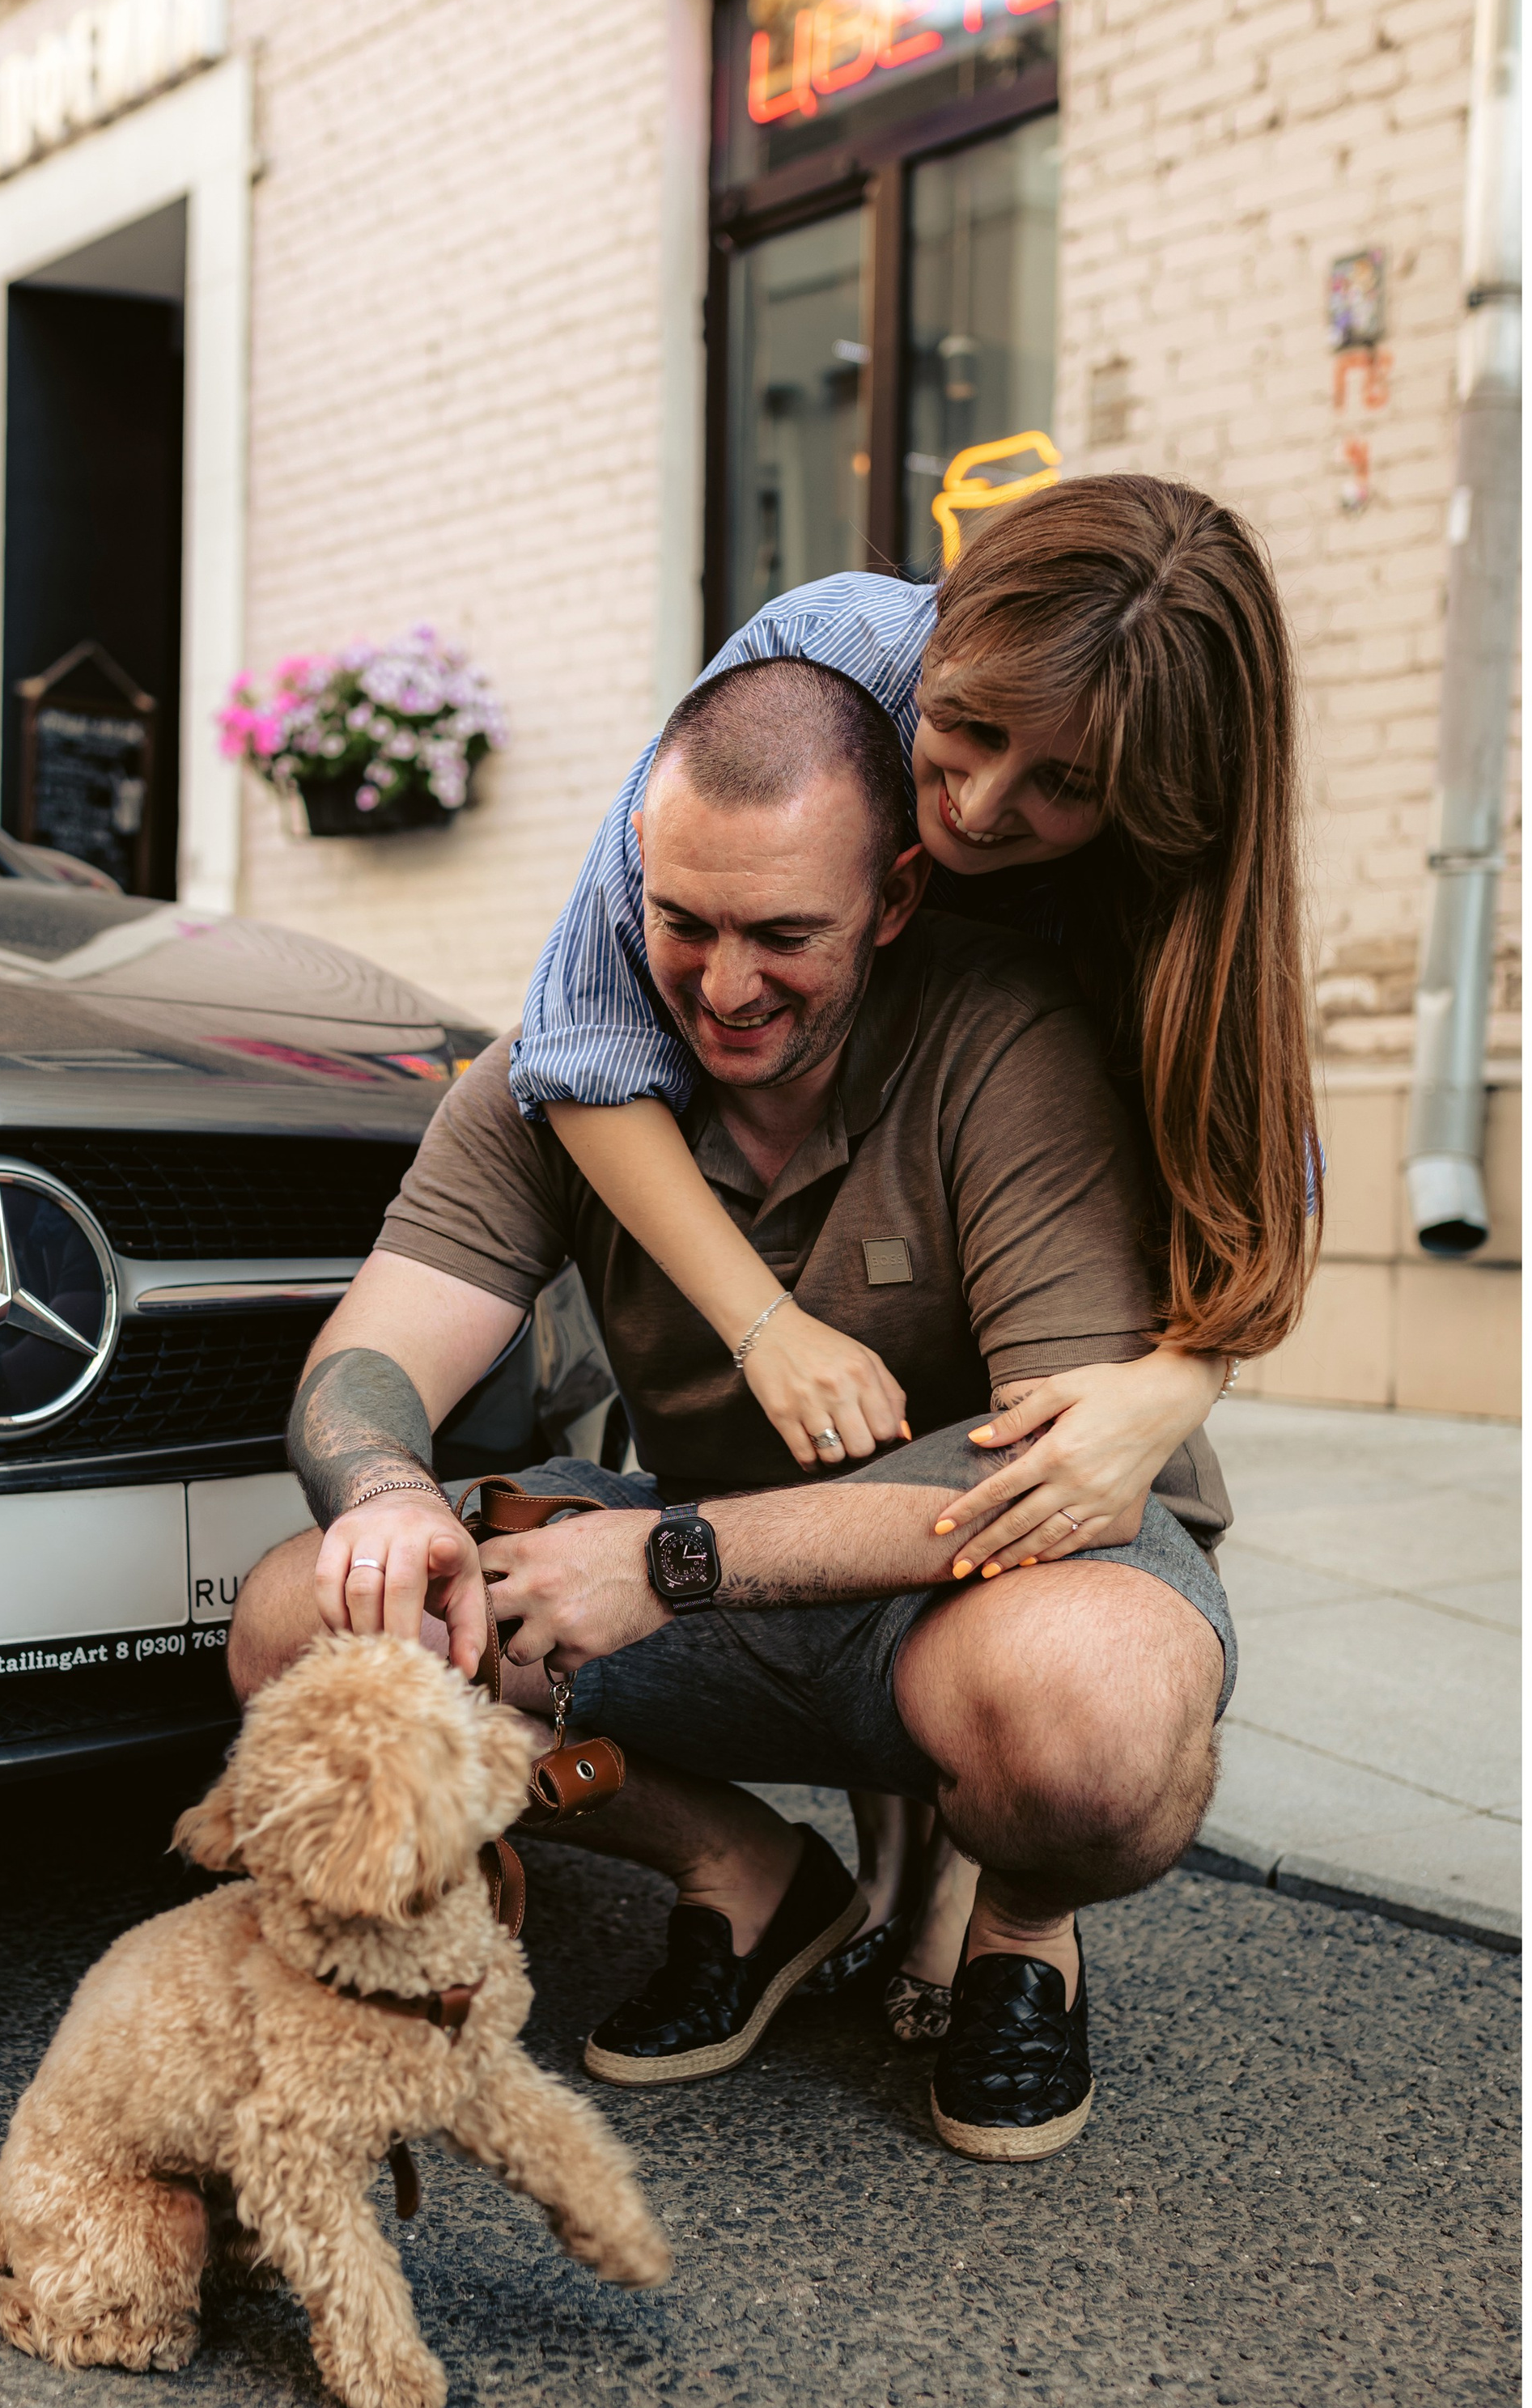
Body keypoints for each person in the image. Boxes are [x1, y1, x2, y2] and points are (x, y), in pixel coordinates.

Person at [231, 654, 1237, 2164]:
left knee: (1099, 1705)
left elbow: (1050, 1479)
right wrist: (384, 1490)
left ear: (893, 901)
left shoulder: (1005, 1039)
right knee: (301, 1627)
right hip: (693, 1580)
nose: (725, 982)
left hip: (973, 1591)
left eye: (785, 935)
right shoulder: (563, 1073)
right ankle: (750, 1871)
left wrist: (668, 1559)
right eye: (683, 922)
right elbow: (369, 1358)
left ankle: (1021, 1926)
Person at [507, 476, 1318, 2036]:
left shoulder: (1175, 879)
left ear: (1164, 797)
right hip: (846, 1221)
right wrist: (760, 1328)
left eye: (1067, 782)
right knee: (849, 1389)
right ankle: (857, 1864)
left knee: (1043, 1590)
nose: (987, 805)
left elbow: (1255, 1179)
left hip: (1035, 1273)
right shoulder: (820, 659)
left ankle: (998, 1892)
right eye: (972, 728)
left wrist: (1170, 1386)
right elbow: (581, 1040)